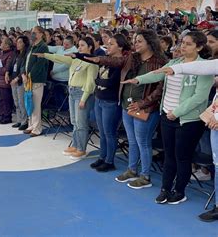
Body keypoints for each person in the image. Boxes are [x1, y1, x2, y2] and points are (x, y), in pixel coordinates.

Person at [123, 31, 214, 204]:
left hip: (188, 121)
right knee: (169, 156)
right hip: (166, 115)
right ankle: (165, 188)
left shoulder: (204, 68)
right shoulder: (175, 62)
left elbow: (200, 97)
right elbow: (157, 73)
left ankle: (179, 191)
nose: (183, 46)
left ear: (199, 47)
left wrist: (176, 112)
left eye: (188, 44)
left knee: (182, 157)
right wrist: (137, 80)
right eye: (182, 43)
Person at [83, 29, 167, 189]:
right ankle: (132, 170)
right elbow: (116, 62)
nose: (135, 43)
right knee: (132, 141)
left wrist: (142, 103)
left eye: (139, 41)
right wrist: (99, 59)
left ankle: (145, 176)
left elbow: (159, 89)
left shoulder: (159, 62)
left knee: (143, 142)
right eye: (135, 40)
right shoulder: (132, 58)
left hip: (145, 109)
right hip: (126, 105)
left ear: (150, 43)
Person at [34, 37, 99, 159]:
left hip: (82, 93)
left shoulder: (92, 62)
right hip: (72, 91)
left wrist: (84, 98)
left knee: (81, 123)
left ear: (90, 47)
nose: (79, 47)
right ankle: (75, 145)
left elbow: (90, 83)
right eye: (79, 45)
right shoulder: (76, 59)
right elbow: (60, 58)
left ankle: (81, 149)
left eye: (82, 45)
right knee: (74, 121)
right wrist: (45, 55)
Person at [90, 34, 130, 172]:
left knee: (109, 132)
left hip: (110, 101)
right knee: (101, 131)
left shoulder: (120, 63)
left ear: (120, 46)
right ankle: (102, 156)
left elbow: (112, 82)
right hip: (99, 98)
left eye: (111, 44)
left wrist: (100, 82)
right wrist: (100, 82)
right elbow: (98, 79)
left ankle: (109, 160)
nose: (108, 45)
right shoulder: (105, 60)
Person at [22, 26, 49, 137]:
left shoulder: (43, 47)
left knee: (36, 104)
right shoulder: (32, 46)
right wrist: (23, 73)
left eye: (35, 33)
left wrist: (29, 76)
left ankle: (37, 128)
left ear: (41, 34)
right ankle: (31, 124)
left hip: (36, 80)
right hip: (27, 80)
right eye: (32, 32)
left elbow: (39, 65)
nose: (33, 35)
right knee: (30, 103)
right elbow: (25, 61)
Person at [7, 35, 30, 130]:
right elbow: (11, 65)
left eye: (20, 42)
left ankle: (24, 121)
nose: (18, 44)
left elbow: (24, 69)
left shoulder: (26, 55)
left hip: (20, 81)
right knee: (16, 101)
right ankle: (19, 120)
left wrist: (17, 78)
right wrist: (7, 73)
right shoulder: (15, 54)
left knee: (21, 102)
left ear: (25, 43)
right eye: (17, 42)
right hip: (13, 79)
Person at [0, 36, 15, 124]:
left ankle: (7, 116)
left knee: (6, 99)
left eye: (2, 43)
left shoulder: (10, 54)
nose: (0, 44)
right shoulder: (0, 53)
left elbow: (7, 68)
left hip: (4, 80)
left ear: (7, 45)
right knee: (0, 99)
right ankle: (2, 114)